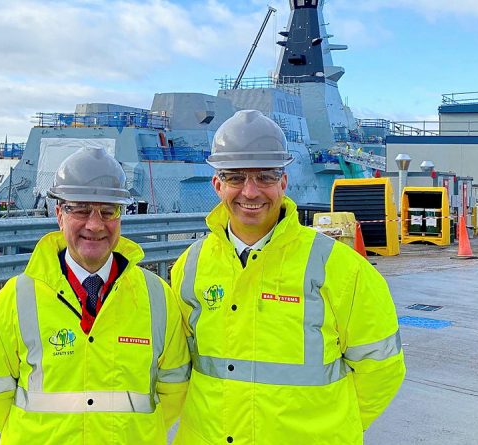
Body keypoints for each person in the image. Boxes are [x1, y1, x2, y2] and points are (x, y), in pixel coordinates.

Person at [170, 110, 405, 444]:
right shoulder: (190, 265)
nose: (250, 192)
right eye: (236, 177)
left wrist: (332, 430)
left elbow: (381, 370)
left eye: (264, 176)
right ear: (217, 184)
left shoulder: (340, 268)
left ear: (283, 181)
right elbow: (176, 370)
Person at [0, 147, 190, 444]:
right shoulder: (16, 298)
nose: (95, 224)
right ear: (59, 214)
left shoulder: (156, 297)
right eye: (81, 209)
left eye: (108, 210)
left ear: (121, 215)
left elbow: (174, 388)